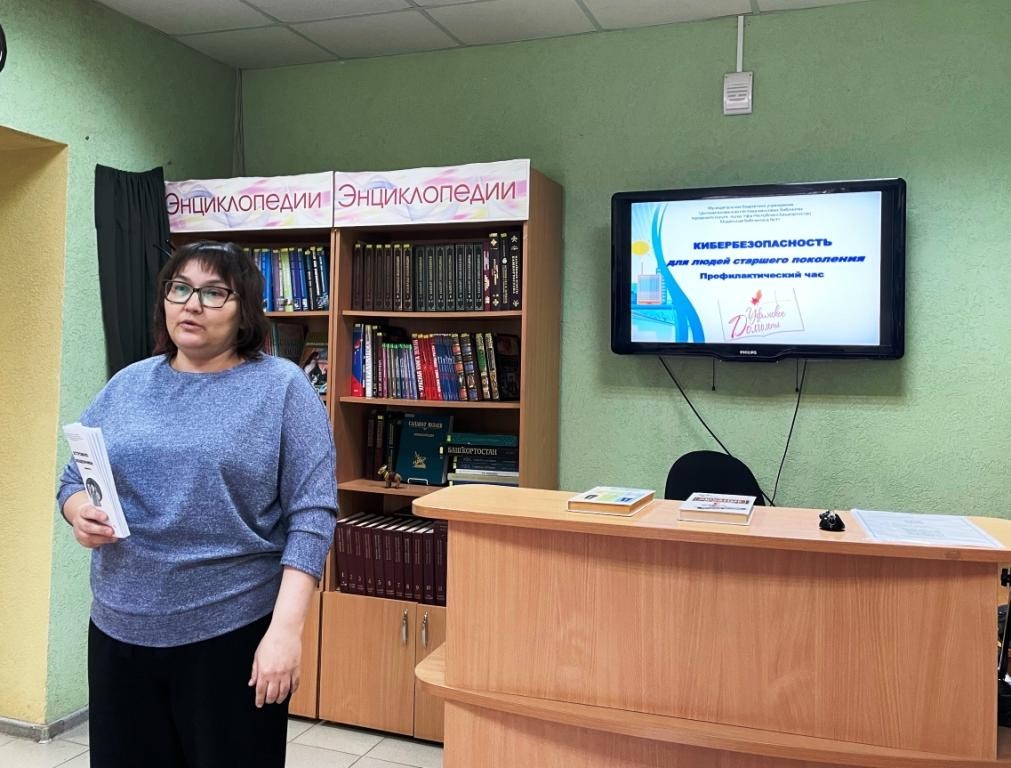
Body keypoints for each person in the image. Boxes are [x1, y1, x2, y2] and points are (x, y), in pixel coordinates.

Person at [57, 241, 337, 768]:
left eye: (213, 293)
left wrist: (285, 631)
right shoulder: (128, 384)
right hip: (119, 630)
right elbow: (74, 478)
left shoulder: (282, 388)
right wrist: (79, 513)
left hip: (230, 632)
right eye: (180, 288)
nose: (191, 304)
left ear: (244, 309)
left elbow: (312, 515)